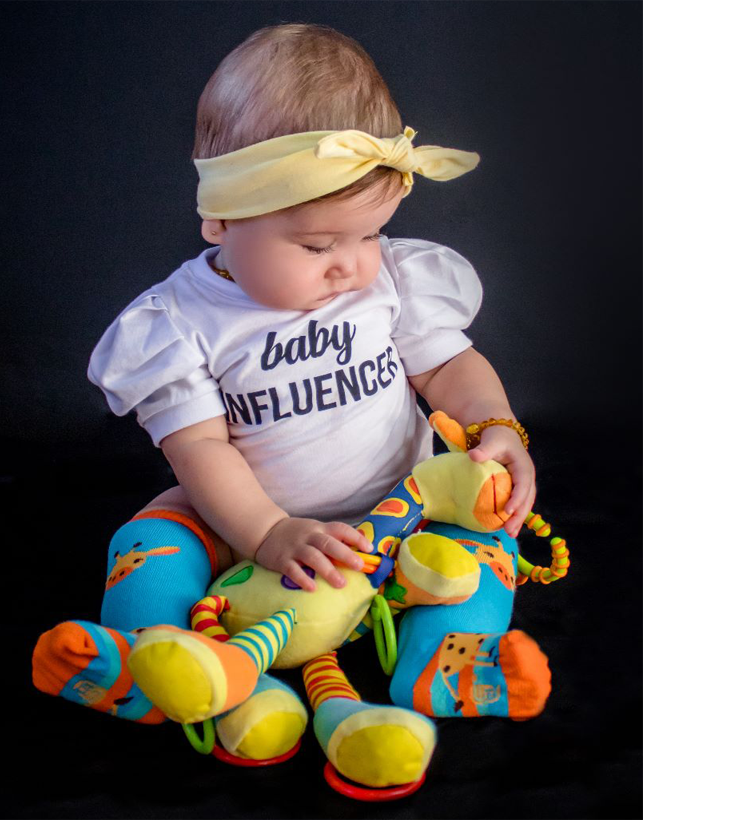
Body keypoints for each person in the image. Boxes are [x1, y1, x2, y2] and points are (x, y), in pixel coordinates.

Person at [32, 25, 537, 725]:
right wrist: (267, 531)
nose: (352, 264)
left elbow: (448, 366)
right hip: (251, 527)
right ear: (221, 220)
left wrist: (495, 427)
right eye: (318, 244)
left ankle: (447, 664)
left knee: (486, 541)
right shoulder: (180, 322)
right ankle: (147, 659)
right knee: (149, 541)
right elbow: (200, 449)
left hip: (406, 509)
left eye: (370, 233)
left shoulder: (389, 280)